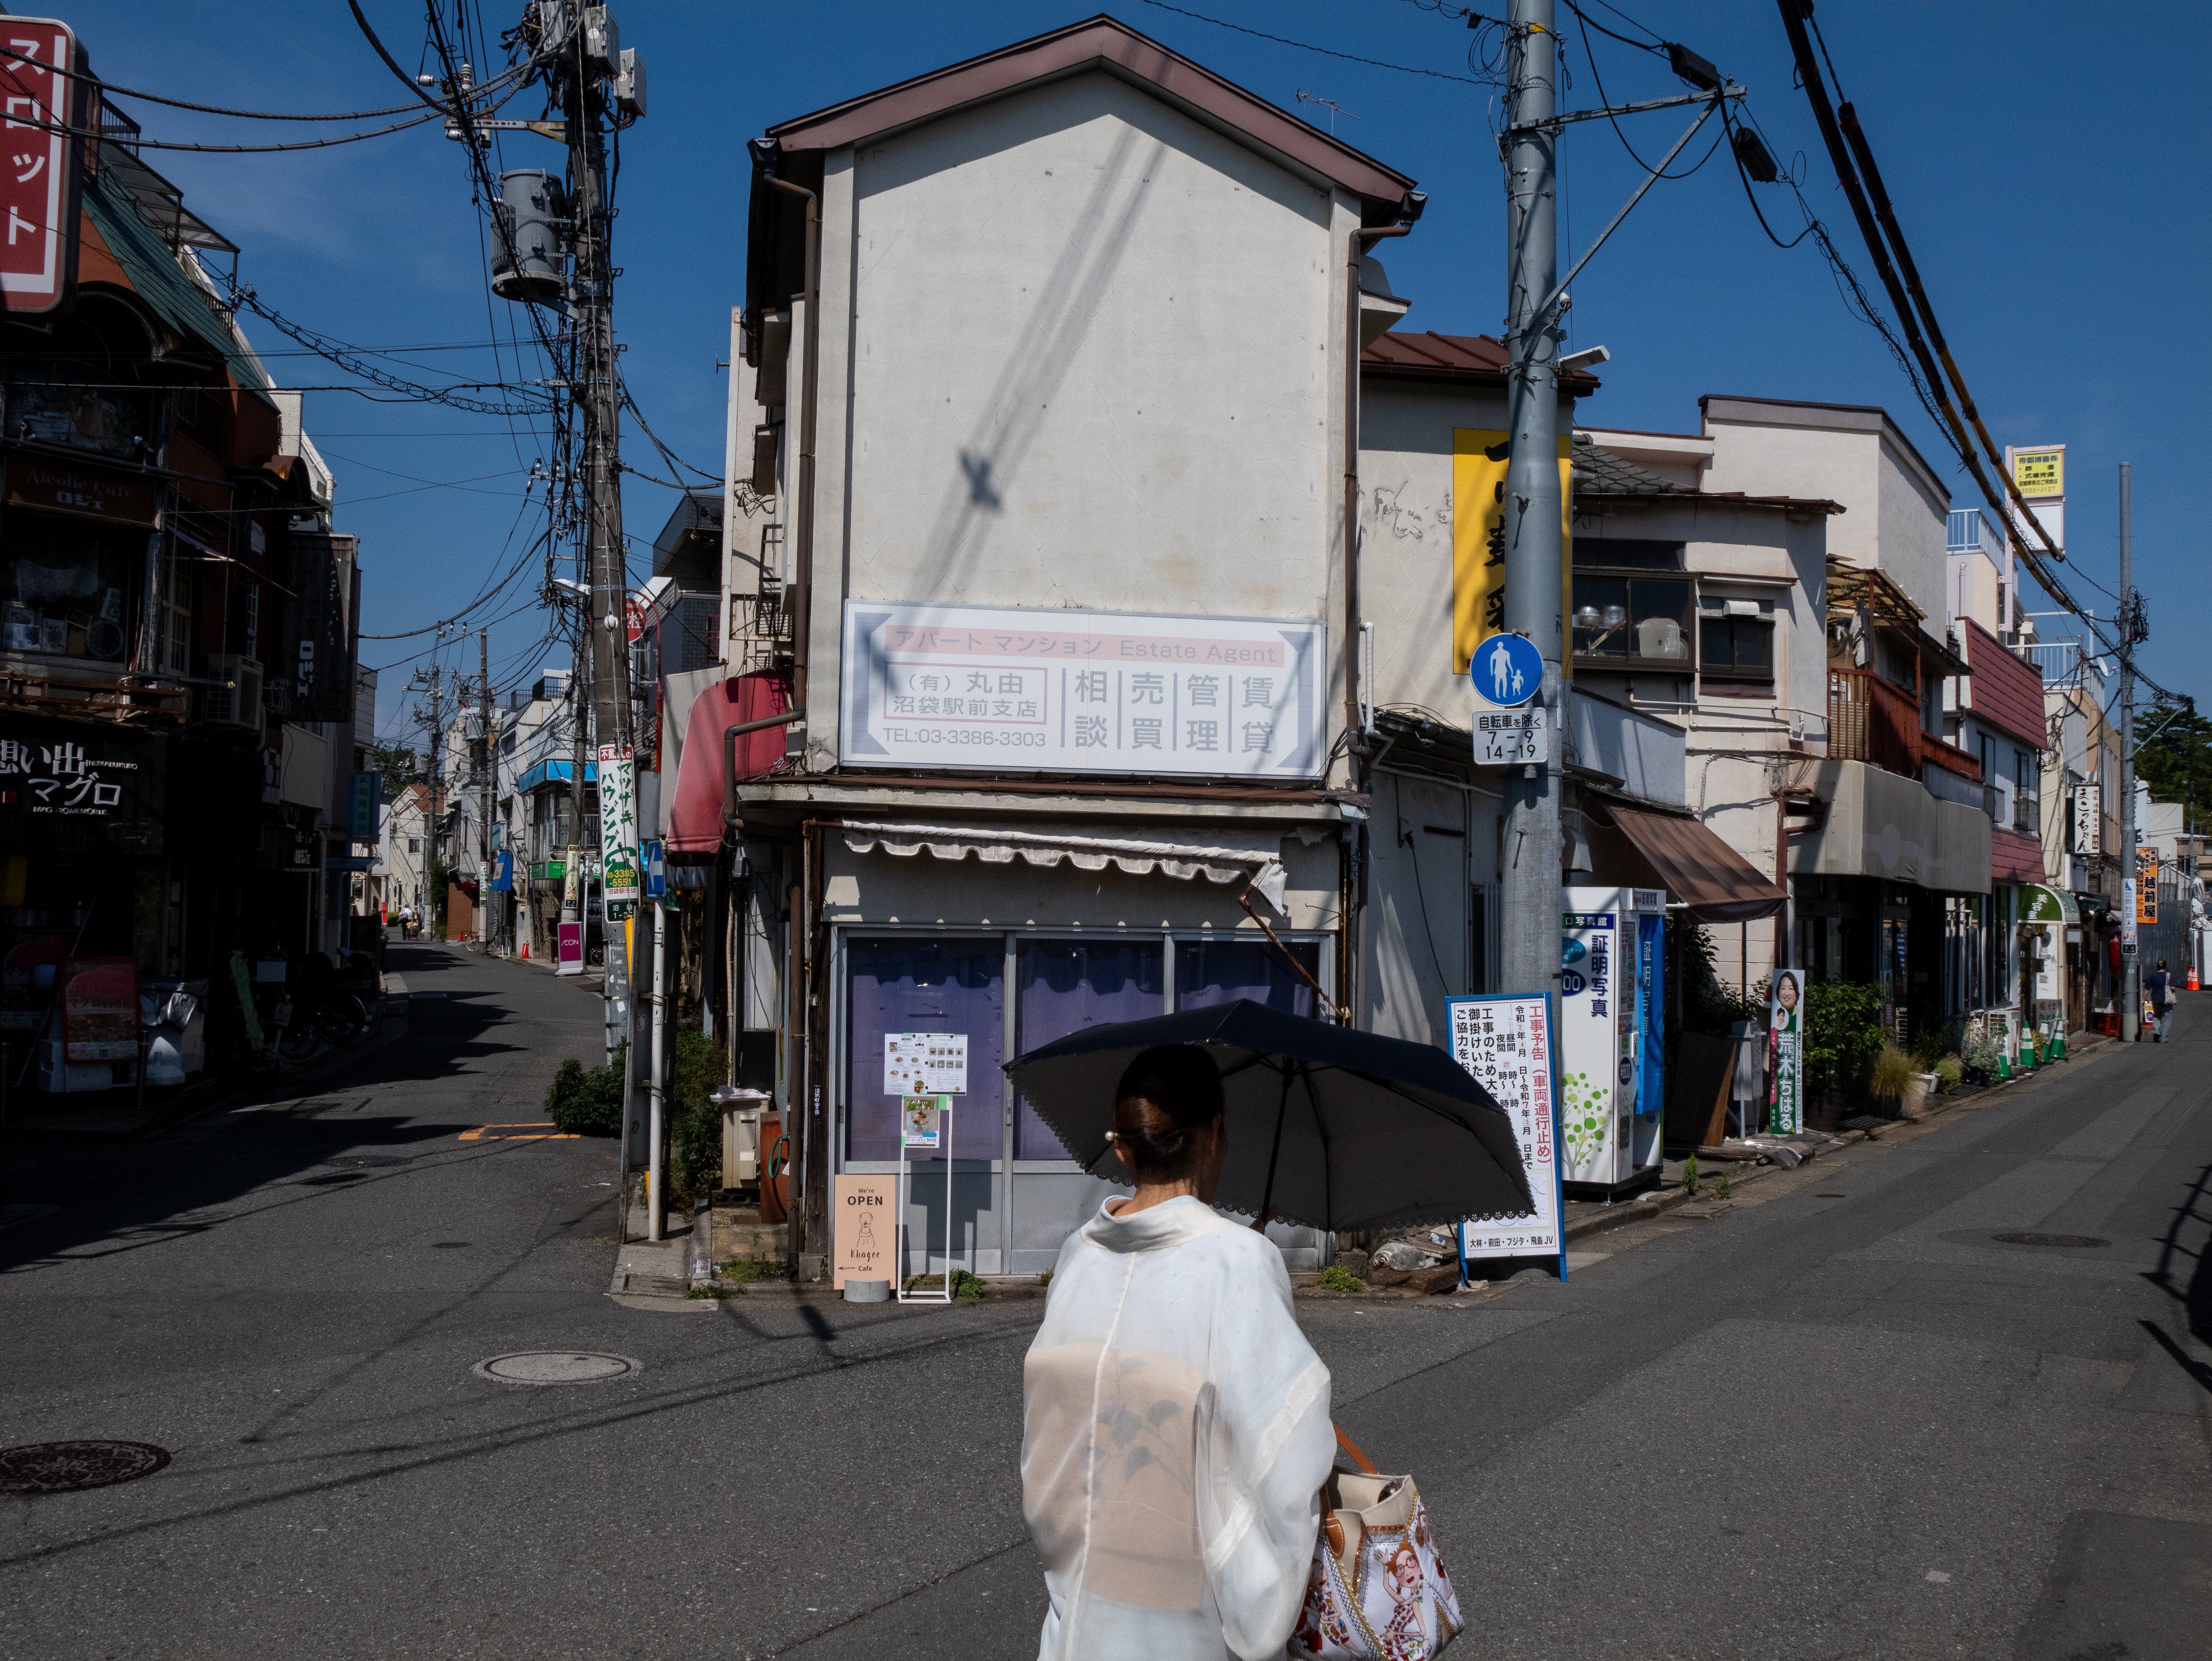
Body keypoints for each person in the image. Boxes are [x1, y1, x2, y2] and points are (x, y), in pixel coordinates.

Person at [1021, 1045, 1335, 1661]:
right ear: (1215, 1135)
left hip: (1080, 1600)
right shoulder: (1238, 1262)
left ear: (1122, 1147)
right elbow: (1283, 1456)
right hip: (1183, 1618)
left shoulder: (1079, 1256)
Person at [2146, 957, 2172, 1042]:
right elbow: (2173, 988)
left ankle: (2157, 1031)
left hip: (2156, 999)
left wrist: (2143, 999)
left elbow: (2147, 989)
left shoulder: (2153, 976)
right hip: (2168, 1000)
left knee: (2157, 1016)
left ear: (2157, 967)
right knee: (2166, 1018)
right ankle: (2164, 1039)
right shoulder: (2169, 976)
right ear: (2165, 967)